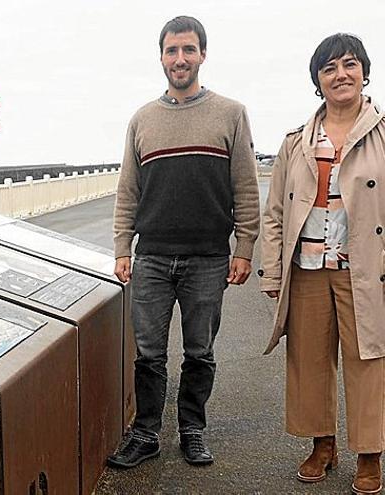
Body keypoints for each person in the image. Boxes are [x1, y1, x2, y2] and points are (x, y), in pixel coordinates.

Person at [108, 15, 260, 468]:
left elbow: (246, 187)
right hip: (152, 256)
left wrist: (245, 248)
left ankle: (193, 429)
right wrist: (121, 246)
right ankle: (146, 433)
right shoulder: (143, 119)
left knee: (200, 352)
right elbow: (127, 190)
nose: (180, 59)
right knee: (149, 355)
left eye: (188, 50)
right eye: (172, 51)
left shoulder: (230, 114)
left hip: (209, 259)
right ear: (161, 57)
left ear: (202, 55)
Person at [259, 33, 385, 495]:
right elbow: (275, 212)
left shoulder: (383, 133)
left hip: (365, 270)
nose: (340, 75)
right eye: (329, 68)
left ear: (364, 72)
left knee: (368, 361)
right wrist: (273, 271)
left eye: (349, 64)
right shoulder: (296, 142)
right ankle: (323, 445)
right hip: (308, 268)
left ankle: (370, 454)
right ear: (318, 80)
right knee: (309, 360)